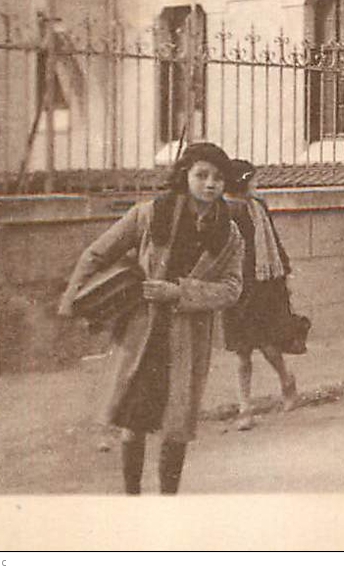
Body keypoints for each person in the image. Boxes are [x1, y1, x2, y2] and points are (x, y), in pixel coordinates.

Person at [58, 142, 244, 495]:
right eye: (201, 175)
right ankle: (132, 496)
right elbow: (97, 252)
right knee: (134, 418)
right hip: (142, 333)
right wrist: (73, 299)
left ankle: (167, 500)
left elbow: (233, 288)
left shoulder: (229, 233)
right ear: (184, 176)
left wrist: (180, 293)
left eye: (218, 178)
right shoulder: (149, 214)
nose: (210, 184)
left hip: (187, 338)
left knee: (176, 425)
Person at [222, 160, 298, 431]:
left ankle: (287, 381)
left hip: (263, 285)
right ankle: (245, 408)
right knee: (241, 351)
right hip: (236, 287)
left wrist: (285, 272)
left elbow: (274, 242)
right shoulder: (224, 209)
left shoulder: (257, 206)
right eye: (252, 179)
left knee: (268, 346)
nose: (256, 183)